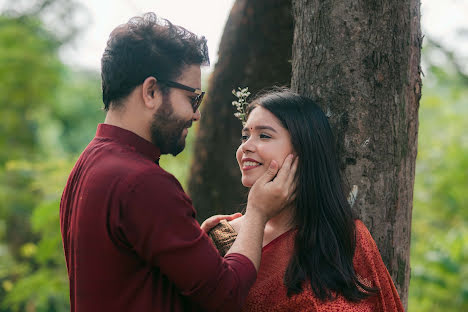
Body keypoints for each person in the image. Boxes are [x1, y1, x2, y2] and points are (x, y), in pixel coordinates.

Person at [59, 13, 297, 312]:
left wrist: (193, 242)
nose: (196, 114)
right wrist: (258, 211)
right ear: (151, 91)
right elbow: (226, 296)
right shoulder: (142, 182)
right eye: (192, 99)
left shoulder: (89, 163)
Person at [208, 88, 405, 311]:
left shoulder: (346, 238)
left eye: (264, 135)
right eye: (245, 136)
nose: (246, 147)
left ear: (304, 149)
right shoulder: (224, 239)